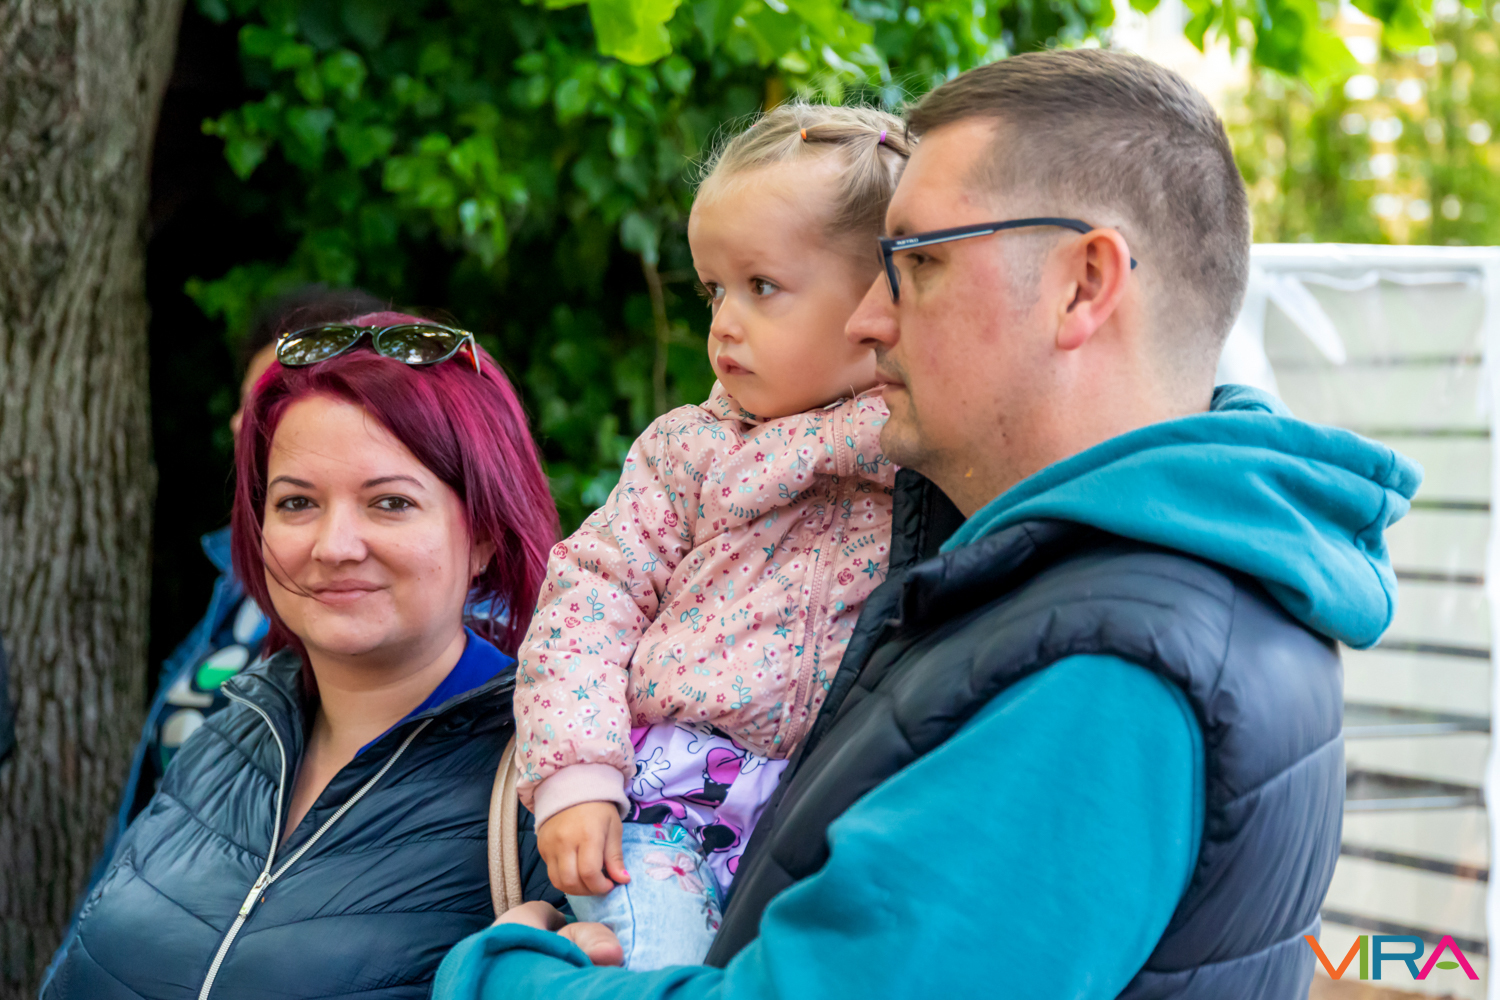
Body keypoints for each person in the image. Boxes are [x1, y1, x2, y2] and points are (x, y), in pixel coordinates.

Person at [433, 50, 1422, 1000]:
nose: (868, 318)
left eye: (916, 261)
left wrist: (503, 978)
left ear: (1083, 284)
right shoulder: (1106, 580)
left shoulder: (1111, 669)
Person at [43, 311, 563, 1000]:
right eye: (296, 503)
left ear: (485, 536)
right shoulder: (225, 739)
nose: (334, 546)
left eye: (390, 503)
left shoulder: (556, 781)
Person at [515, 104, 910, 969]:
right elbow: (590, 597)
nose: (725, 322)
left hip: (822, 819)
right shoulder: (690, 450)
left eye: (761, 286)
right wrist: (577, 776)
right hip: (663, 813)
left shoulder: (924, 454)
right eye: (713, 290)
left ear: (882, 297)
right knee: (662, 967)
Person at [108, 286, 386, 847]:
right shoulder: (235, 581)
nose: (241, 423)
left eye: (268, 398)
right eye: (247, 401)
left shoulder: (391, 596)